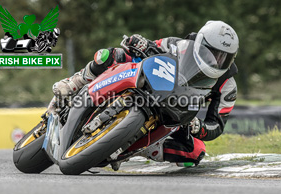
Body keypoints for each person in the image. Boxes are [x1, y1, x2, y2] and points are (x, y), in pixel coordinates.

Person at [51, 20, 239, 166]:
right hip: (151, 84)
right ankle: (76, 82)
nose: (216, 61)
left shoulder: (228, 86)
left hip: (178, 112)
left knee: (196, 152)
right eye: (212, 53)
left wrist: (200, 127)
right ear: (199, 43)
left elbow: (217, 124)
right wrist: (140, 43)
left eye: (224, 58)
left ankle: (142, 148)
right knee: (112, 55)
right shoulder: (177, 45)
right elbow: (148, 48)